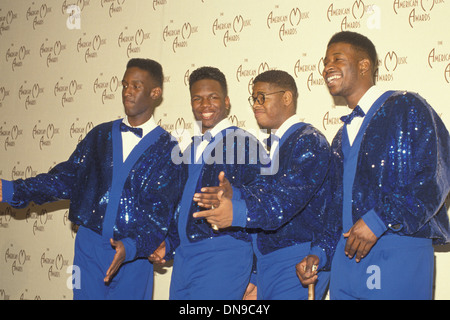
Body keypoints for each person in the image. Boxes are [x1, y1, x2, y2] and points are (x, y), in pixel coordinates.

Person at [0, 58, 185, 300]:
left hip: (134, 257)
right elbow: (65, 179)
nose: (127, 92)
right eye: (125, 85)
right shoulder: (99, 135)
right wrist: (13, 190)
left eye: (136, 86)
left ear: (155, 92)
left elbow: (161, 212)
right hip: (89, 249)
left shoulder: (168, 149)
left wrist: (131, 247)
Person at [298, 31, 450, 299]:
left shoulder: (406, 105)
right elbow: (335, 208)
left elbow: (435, 175)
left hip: (397, 250)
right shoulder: (339, 138)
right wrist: (320, 253)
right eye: (324, 61)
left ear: (364, 65)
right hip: (345, 262)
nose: (327, 67)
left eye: (337, 58)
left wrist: (380, 220)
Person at [193, 70, 336, 300]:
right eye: (254, 99)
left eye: (262, 97)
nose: (256, 105)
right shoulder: (277, 146)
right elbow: (265, 195)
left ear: (287, 98)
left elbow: (283, 202)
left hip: (298, 262)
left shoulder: (308, 140)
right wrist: (235, 195)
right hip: (271, 264)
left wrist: (236, 211)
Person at [150, 66, 266, 300]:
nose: (205, 105)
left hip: (224, 255)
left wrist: (254, 274)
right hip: (184, 258)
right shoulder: (190, 149)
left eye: (213, 97)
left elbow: (263, 205)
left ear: (226, 101)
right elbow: (183, 209)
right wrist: (169, 243)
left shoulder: (244, 143)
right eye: (198, 99)